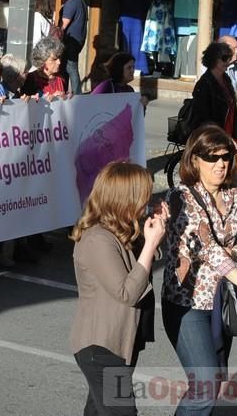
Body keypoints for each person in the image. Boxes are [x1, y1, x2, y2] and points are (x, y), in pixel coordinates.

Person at [162, 124, 237, 414]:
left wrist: (236, 250)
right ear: (195, 160)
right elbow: (207, 251)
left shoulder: (235, 197)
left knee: (214, 383)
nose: (220, 164)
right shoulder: (181, 198)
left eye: (225, 157)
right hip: (186, 303)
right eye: (212, 158)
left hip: (220, 299)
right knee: (204, 387)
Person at [70, 161, 167, 415]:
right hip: (101, 346)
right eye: (143, 196)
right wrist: (150, 244)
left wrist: (152, 233)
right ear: (124, 199)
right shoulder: (97, 239)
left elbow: (145, 262)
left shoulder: (120, 229)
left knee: (98, 410)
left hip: (122, 341)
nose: (146, 201)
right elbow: (128, 292)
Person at [190, 41, 237, 145]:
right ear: (214, 59)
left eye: (229, 57)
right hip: (213, 137)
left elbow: (230, 101)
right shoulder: (204, 84)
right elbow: (204, 117)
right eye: (224, 58)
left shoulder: (226, 79)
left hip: (228, 132)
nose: (228, 61)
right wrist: (220, 136)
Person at [59, 0, 88, 94]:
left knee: (71, 68)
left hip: (71, 41)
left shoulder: (71, 3)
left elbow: (64, 23)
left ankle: (77, 94)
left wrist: (57, 36)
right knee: (65, 67)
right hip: (78, 40)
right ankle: (64, 91)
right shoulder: (81, 1)